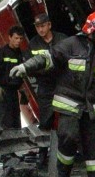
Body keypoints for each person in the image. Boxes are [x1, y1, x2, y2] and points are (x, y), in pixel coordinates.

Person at [11, 11, 95, 177]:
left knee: (94, 144)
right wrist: (25, 66)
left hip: (91, 105)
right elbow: (47, 59)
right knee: (68, 138)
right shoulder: (70, 45)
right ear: (91, 30)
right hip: (69, 102)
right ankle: (63, 174)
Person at [27, 13, 69, 168]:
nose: (40, 29)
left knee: (67, 118)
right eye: (38, 27)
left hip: (63, 84)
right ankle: (43, 154)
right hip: (45, 85)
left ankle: (67, 153)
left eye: (43, 26)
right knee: (45, 120)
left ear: (49, 25)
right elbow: (30, 66)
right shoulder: (33, 43)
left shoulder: (62, 39)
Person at [0, 25, 26, 165]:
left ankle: (12, 152)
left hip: (14, 92)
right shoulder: (0, 53)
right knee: (5, 122)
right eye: (16, 38)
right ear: (9, 37)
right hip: (2, 91)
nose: (18, 41)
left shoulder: (19, 54)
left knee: (15, 122)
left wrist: (22, 90)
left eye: (20, 39)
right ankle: (5, 154)